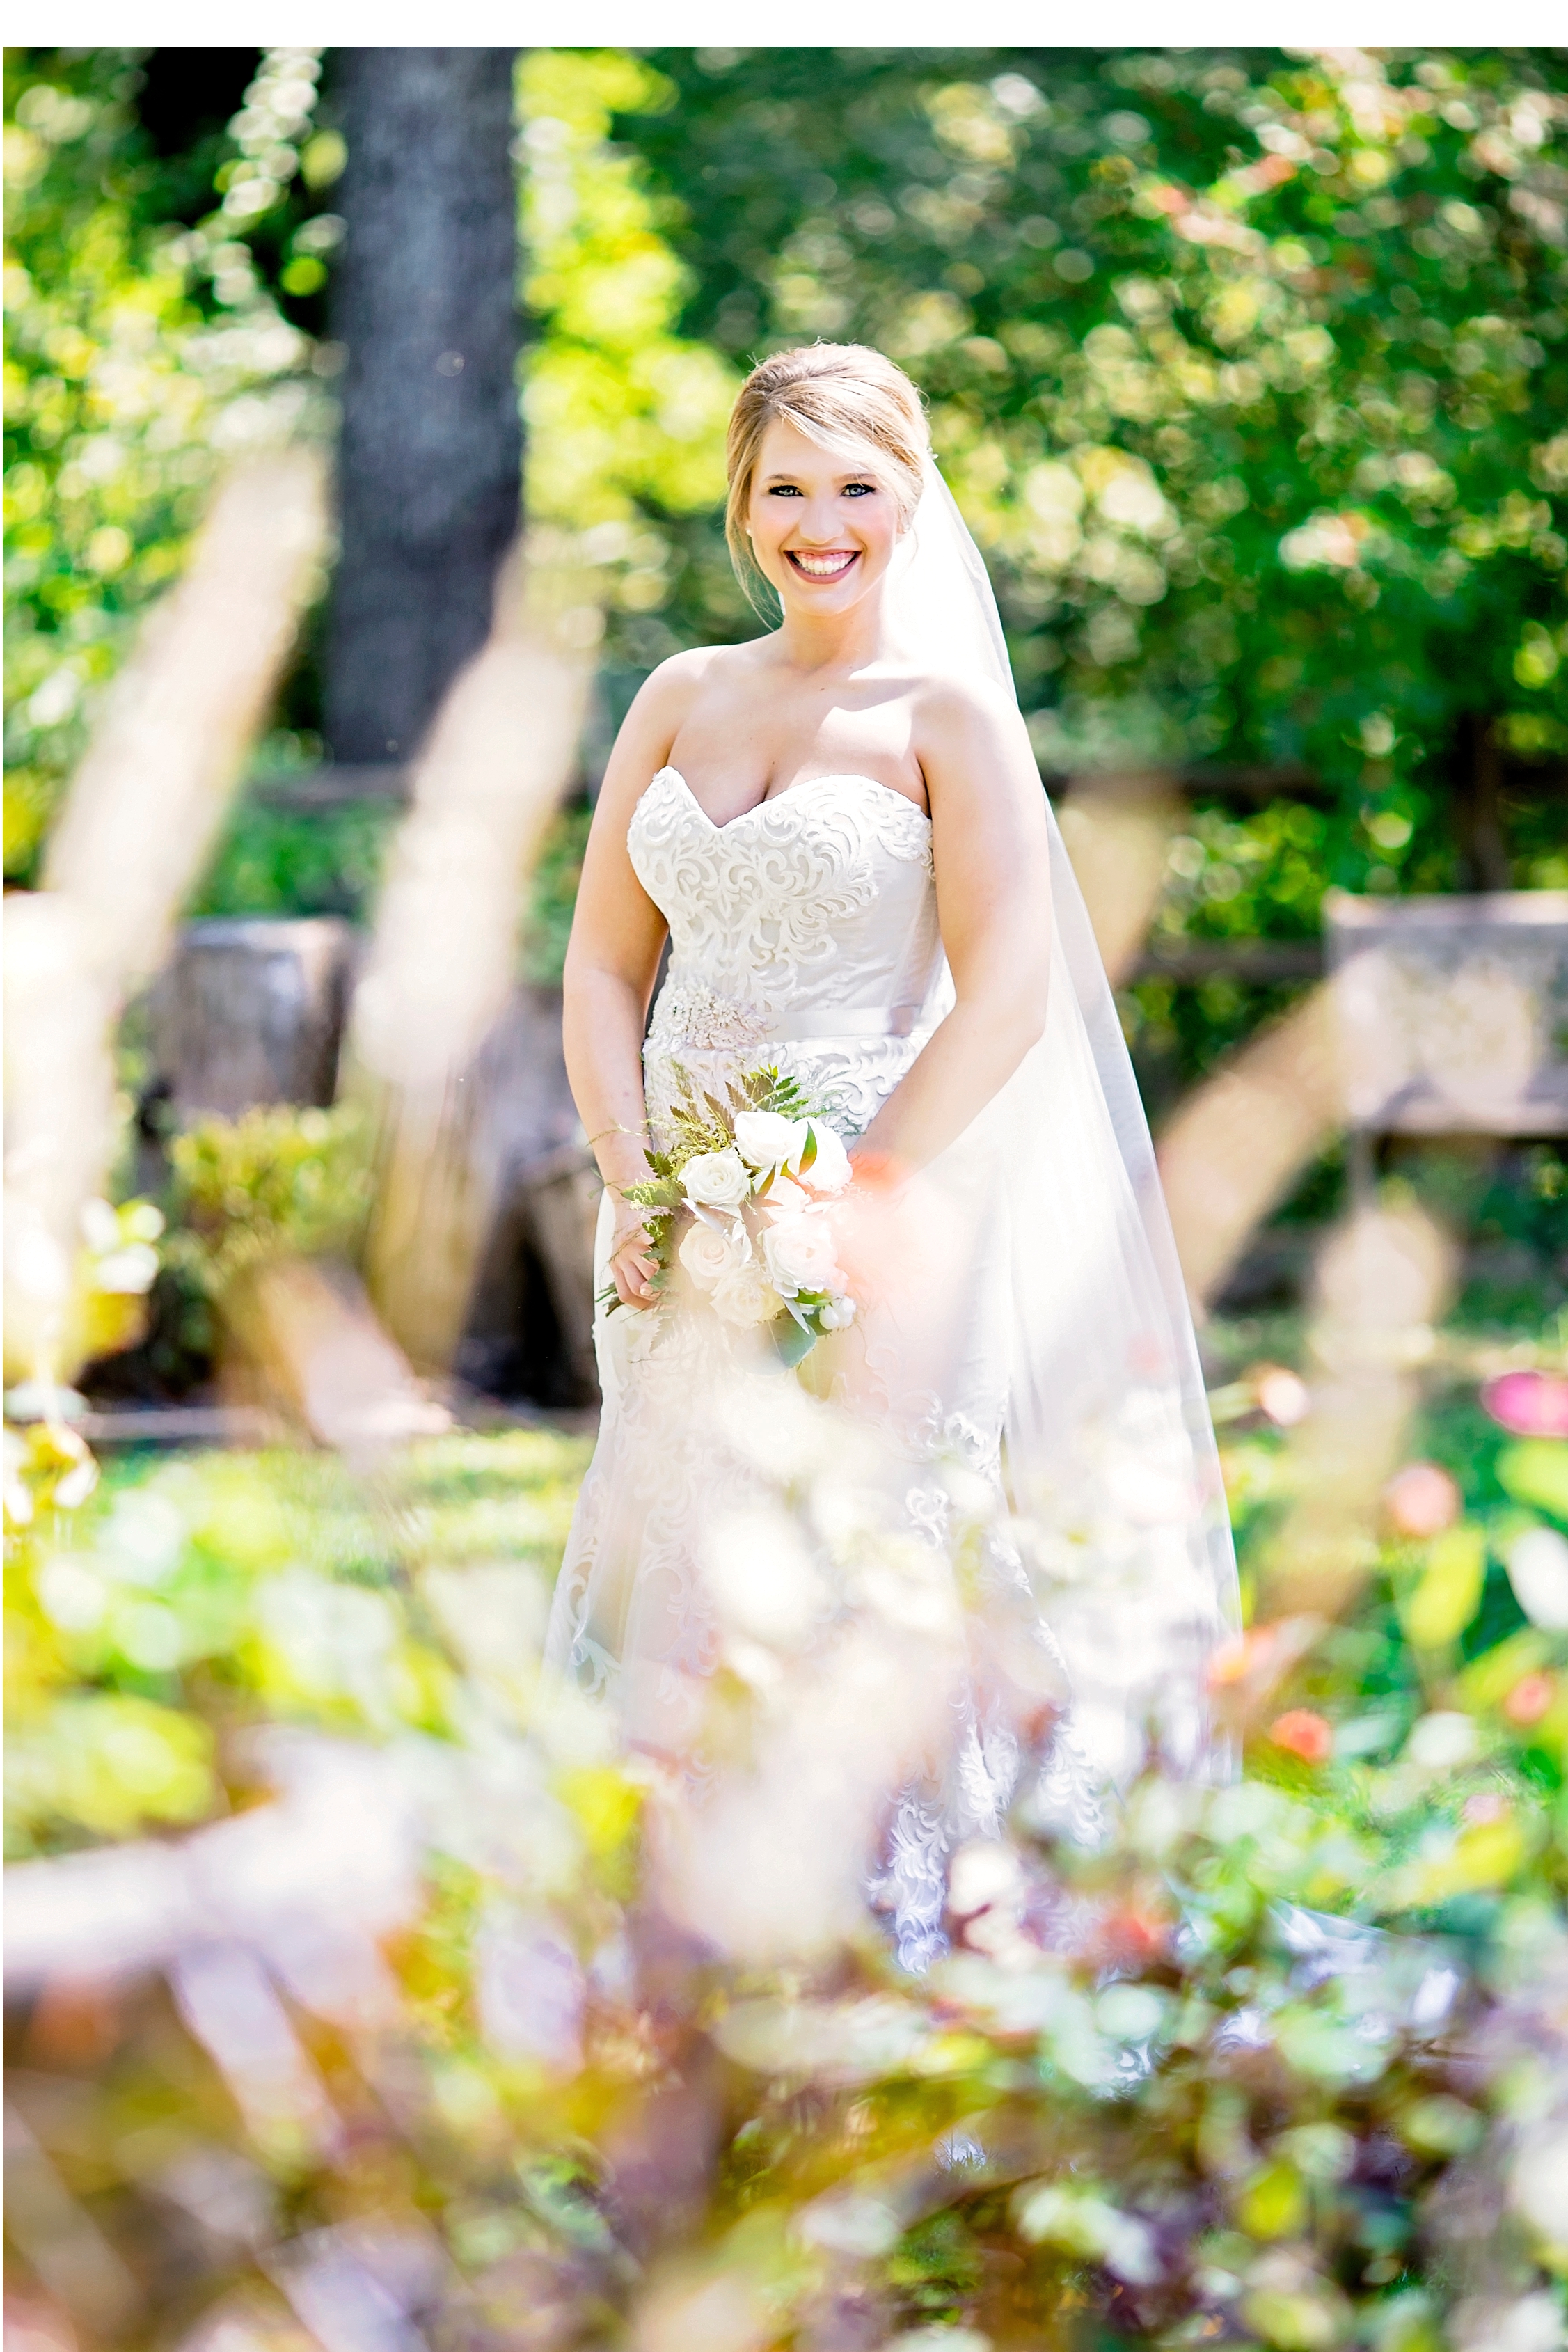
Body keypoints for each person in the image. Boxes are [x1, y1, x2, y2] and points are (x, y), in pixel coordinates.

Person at [548, 343, 1237, 1973]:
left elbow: (1010, 989)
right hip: (672, 1208)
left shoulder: (947, 719)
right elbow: (597, 967)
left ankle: (909, 1936)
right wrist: (634, 1176)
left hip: (881, 1200)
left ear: (910, 498)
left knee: (870, 1547)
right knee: (688, 1535)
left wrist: (850, 1201)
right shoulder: (678, 697)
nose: (821, 521)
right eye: (786, 486)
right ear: (743, 504)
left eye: (855, 484)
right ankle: (678, 1939)